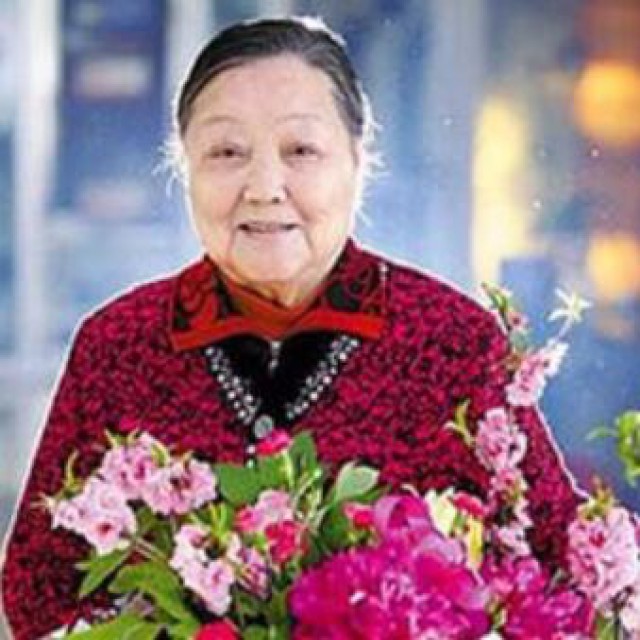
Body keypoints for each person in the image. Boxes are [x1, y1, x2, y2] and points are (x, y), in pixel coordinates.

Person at [0, 16, 580, 639]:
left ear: (357, 161)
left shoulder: (454, 341)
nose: (264, 188)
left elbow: (559, 574)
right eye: (227, 152)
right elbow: (39, 590)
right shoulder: (118, 345)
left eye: (301, 151)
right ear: (184, 166)